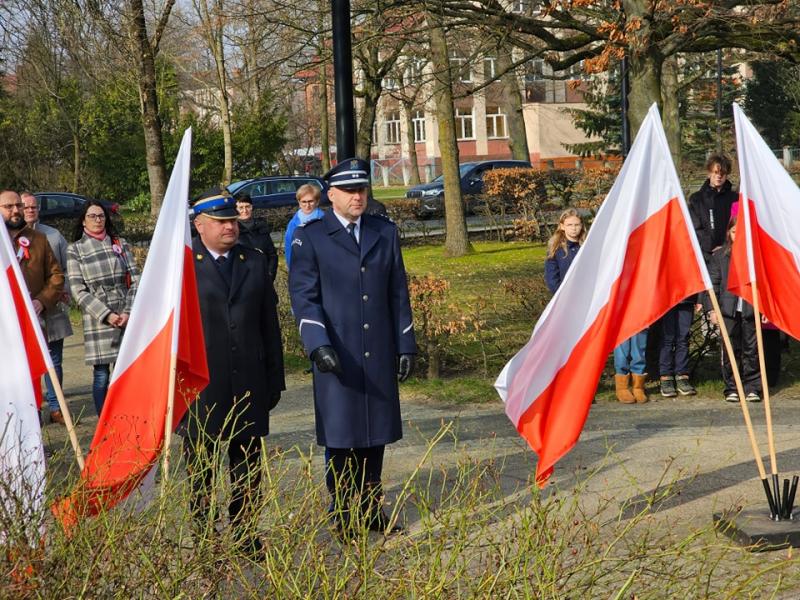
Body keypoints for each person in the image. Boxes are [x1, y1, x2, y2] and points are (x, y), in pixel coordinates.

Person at [289, 158, 417, 536]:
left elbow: (398, 291)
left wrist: (405, 343)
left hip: (376, 348)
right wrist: (317, 344)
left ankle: (371, 507)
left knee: (375, 434)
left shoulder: (384, 232)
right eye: (349, 191)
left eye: (362, 189)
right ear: (331, 196)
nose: (358, 196)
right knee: (342, 438)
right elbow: (304, 296)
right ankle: (343, 511)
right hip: (336, 353)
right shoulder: (311, 236)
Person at [179, 190, 285, 558]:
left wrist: (275, 378)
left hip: (248, 380)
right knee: (201, 466)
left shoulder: (253, 260)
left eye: (232, 221)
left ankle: (245, 532)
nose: (230, 226)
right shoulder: (182, 264)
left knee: (247, 464)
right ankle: (206, 533)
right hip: (201, 384)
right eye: (221, 222)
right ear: (199, 225)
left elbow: (268, 324)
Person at [66, 200, 139, 416]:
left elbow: (136, 280)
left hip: (125, 311)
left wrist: (127, 312)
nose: (98, 220)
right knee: (101, 374)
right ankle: (104, 421)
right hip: (98, 316)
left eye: (101, 216)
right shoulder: (75, 249)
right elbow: (78, 291)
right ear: (83, 220)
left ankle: (127, 416)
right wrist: (106, 315)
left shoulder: (121, 244)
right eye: (92, 216)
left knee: (125, 370)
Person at [1, 190, 65, 405]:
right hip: (4, 326)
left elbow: (56, 276)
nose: (16, 210)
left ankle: (34, 427)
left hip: (32, 323)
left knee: (32, 378)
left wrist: (41, 301)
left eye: (18, 205)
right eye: (8, 207)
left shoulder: (38, 239)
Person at [21, 192, 74, 424]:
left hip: (52, 309)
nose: (30, 210)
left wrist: (65, 292)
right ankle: (32, 409)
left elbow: (65, 268)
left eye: (34, 207)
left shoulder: (52, 235)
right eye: (26, 207)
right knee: (27, 363)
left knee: (54, 361)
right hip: (23, 313)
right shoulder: (8, 239)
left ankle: (56, 407)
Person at [706, 216, 761, 402]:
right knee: (730, 349)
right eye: (734, 231)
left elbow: (765, 284)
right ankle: (732, 387)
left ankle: (752, 386)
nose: (738, 235)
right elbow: (713, 284)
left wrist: (766, 309)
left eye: (741, 232)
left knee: (751, 349)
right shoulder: (720, 256)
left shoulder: (755, 256)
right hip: (728, 310)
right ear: (729, 233)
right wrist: (712, 310)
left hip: (750, 308)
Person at [689, 153, 738, 265]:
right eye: (716, 172)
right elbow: (696, 228)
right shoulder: (696, 200)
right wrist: (711, 246)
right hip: (706, 256)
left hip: (729, 254)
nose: (719, 176)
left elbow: (736, 225)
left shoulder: (735, 199)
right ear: (709, 173)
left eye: (722, 173)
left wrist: (725, 247)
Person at [657, 298, 697, 398]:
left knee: (683, 339)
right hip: (665, 298)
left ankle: (682, 376)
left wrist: (698, 299)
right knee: (667, 339)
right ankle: (666, 377)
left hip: (686, 298)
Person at [234, 193, 278, 281]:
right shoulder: (232, 230)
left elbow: (272, 255)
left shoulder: (261, 226)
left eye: (247, 206)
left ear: (252, 207)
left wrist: (269, 274)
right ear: (235, 209)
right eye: (241, 208)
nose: (245, 210)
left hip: (264, 279)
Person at [544, 208, 585, 293]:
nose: (574, 228)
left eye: (577, 224)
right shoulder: (556, 249)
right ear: (562, 226)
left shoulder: (587, 246)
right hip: (566, 298)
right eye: (569, 225)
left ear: (581, 226)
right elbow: (552, 280)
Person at [284, 183, 324, 269]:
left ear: (317, 201)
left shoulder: (324, 220)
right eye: (304, 201)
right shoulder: (293, 223)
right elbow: (288, 246)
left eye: (310, 201)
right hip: (299, 268)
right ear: (299, 202)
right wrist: (290, 266)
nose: (307, 205)